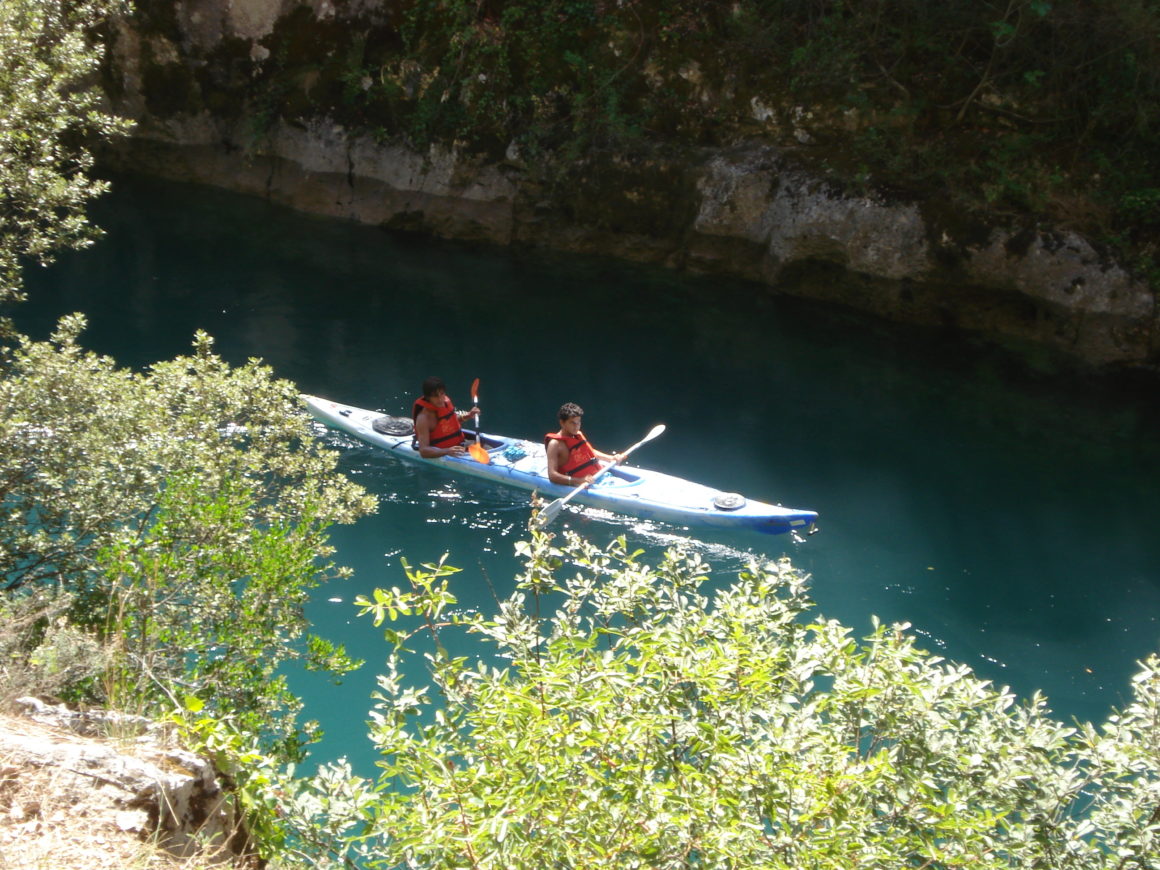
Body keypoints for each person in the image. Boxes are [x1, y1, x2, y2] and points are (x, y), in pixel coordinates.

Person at [545, 402, 621, 487]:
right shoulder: (555, 444)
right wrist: (579, 481)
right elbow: (552, 475)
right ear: (562, 423)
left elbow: (587, 451)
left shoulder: (576, 435)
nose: (577, 426)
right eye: (572, 423)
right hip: (585, 484)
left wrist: (610, 458)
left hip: (601, 477)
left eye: (578, 422)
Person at [412, 376, 479, 458]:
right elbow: (423, 451)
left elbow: (450, 423)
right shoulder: (424, 418)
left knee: (486, 446)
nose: (440, 399)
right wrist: (447, 451)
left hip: (460, 445)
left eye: (442, 394)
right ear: (428, 398)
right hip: (444, 451)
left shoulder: (446, 403)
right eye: (435, 396)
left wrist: (469, 415)